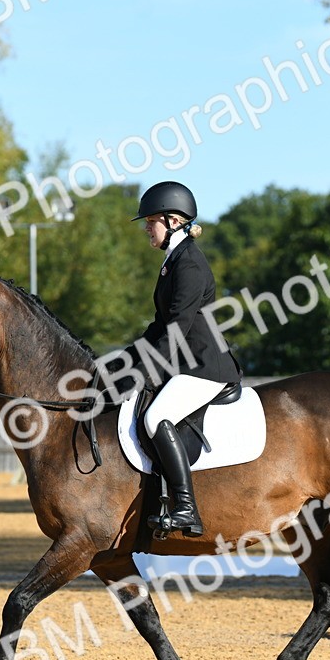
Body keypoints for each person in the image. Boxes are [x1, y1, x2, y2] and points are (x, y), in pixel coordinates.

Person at [122, 181, 241, 537]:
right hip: (186, 363)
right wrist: (125, 361)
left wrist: (141, 372)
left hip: (204, 367)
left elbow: (176, 330)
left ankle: (186, 507)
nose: (146, 227)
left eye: (151, 221)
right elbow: (159, 326)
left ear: (173, 220)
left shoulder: (188, 265)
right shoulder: (173, 261)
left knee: (157, 416)